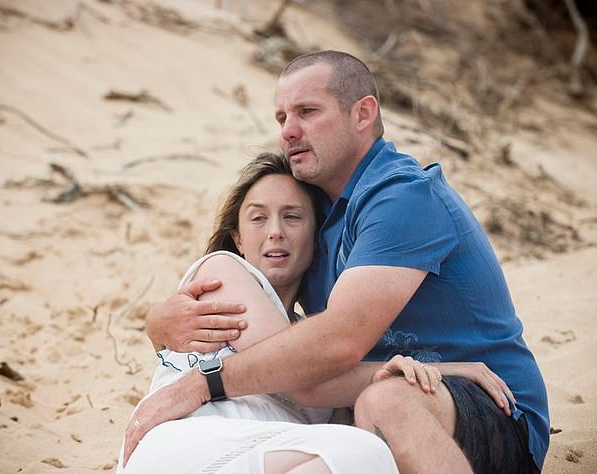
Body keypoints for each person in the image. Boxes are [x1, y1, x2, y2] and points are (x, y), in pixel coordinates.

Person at [134, 51, 550, 473]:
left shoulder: (401, 197)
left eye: (307, 112)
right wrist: (158, 324)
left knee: (384, 399)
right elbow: (282, 330)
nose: (289, 131)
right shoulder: (319, 219)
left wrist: (207, 383)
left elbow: (336, 341)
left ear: (362, 113)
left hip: (493, 409)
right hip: (376, 406)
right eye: (281, 118)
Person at [120, 152, 429, 473]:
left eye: (292, 217)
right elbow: (304, 376)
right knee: (363, 453)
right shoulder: (221, 272)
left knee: (362, 457)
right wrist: (454, 371)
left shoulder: (310, 336)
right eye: (258, 218)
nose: (275, 231)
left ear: (316, 236)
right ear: (237, 239)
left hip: (276, 451)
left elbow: (334, 387)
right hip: (195, 442)